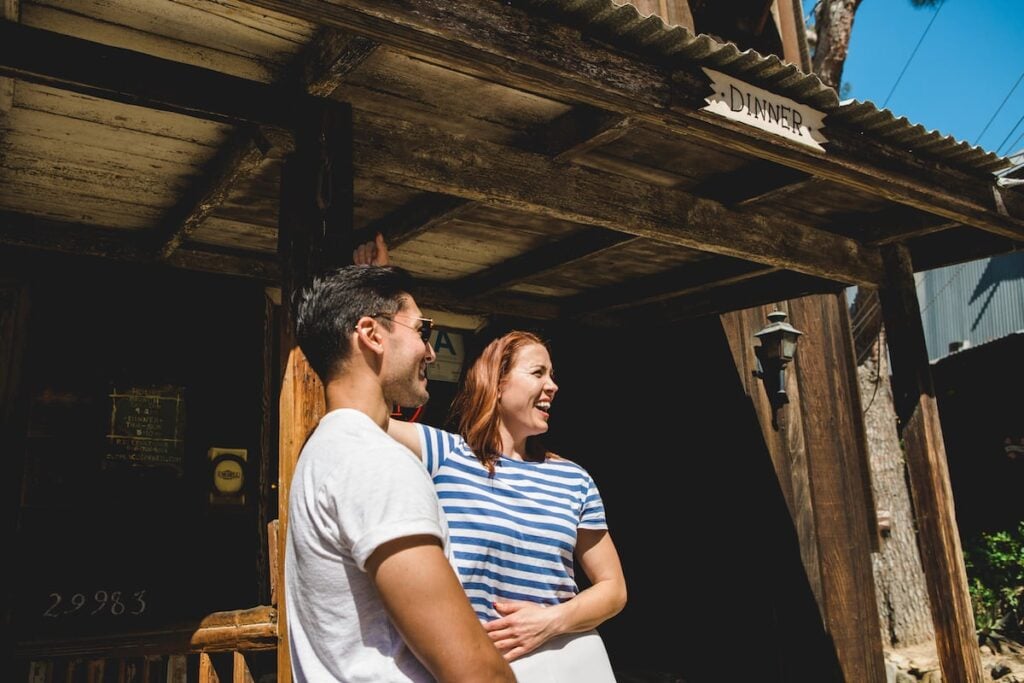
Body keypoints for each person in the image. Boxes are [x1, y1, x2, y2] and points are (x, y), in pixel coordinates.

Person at [355, 235, 627, 682]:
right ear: (496, 385)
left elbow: (613, 589)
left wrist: (550, 621)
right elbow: (364, 414)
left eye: (553, 375)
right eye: (538, 373)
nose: (553, 386)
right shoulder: (445, 455)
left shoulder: (574, 480)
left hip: (564, 667)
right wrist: (381, 288)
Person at [285, 263, 516, 683]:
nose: (430, 351)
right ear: (372, 334)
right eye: (422, 331)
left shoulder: (325, 449)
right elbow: (475, 671)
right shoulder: (375, 462)